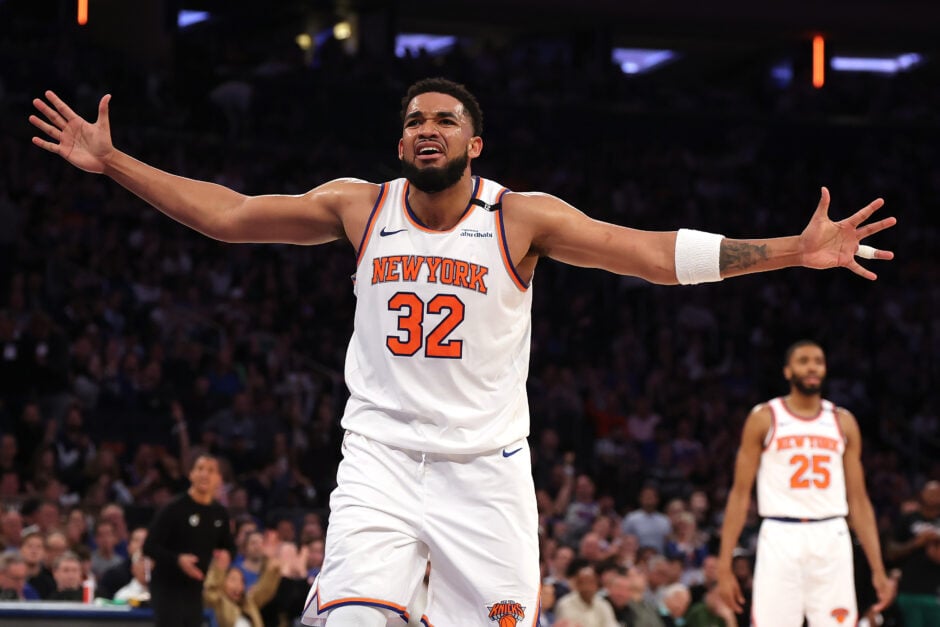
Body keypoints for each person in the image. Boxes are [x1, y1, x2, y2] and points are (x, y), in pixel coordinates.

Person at [30, 78, 896, 627]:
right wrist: (114, 165)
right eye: (414, 121)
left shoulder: (521, 217)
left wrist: (790, 249)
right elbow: (227, 213)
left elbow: (651, 253)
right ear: (400, 143)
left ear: (474, 144)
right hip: (380, 461)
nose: (428, 130)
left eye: (446, 119)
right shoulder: (356, 206)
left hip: (487, 472)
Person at [716, 340, 895, 626]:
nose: (812, 367)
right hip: (779, 533)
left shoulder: (843, 421)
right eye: (803, 361)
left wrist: (878, 568)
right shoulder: (764, 418)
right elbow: (739, 495)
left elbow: (859, 501)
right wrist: (723, 567)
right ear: (788, 371)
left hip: (831, 533)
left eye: (818, 361)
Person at [142, 454, 236, 627]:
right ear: (191, 474)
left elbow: (229, 546)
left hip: (195, 589)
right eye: (200, 469)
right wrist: (178, 560)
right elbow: (149, 547)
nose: (204, 474)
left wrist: (227, 556)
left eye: (210, 470)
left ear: (219, 479)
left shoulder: (219, 513)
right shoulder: (173, 508)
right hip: (167, 587)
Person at [885, 480, 940, 627]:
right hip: (910, 591)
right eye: (930, 492)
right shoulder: (907, 519)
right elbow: (890, 552)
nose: (934, 496)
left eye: (937, 493)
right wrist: (915, 544)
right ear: (921, 494)